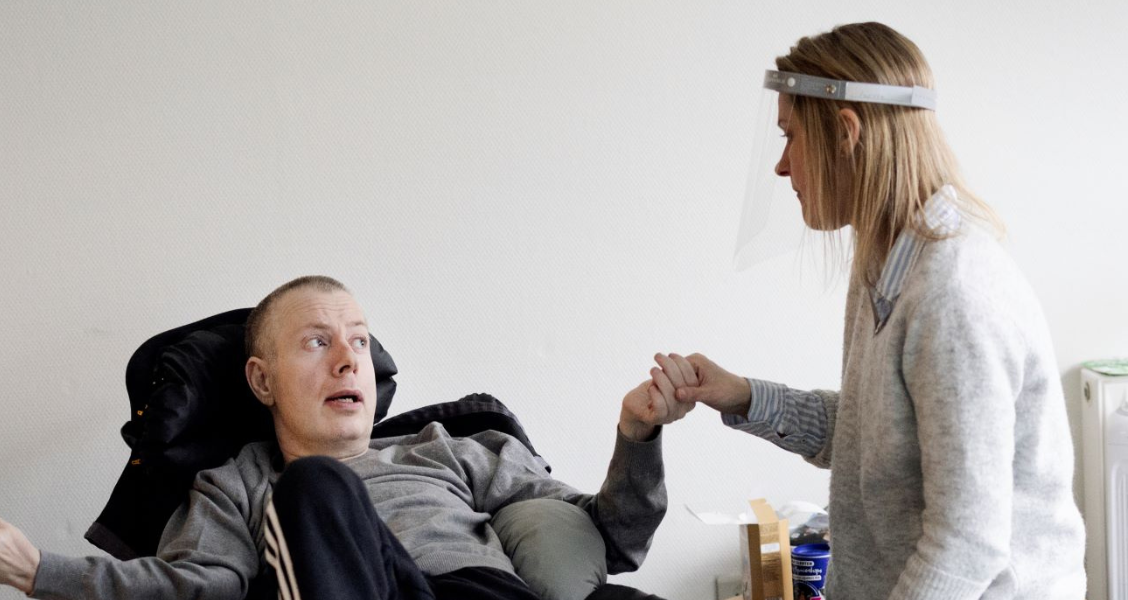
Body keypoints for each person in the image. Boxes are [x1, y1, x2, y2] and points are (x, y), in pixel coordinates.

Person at [652, 22, 1086, 599]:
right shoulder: (887, 266)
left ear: (846, 133)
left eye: (791, 136)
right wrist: (741, 396)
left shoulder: (954, 294)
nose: (781, 166)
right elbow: (875, 439)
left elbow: (967, 546)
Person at [0, 275, 693, 600]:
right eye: (316, 341)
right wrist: (38, 572)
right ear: (262, 380)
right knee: (314, 486)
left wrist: (637, 438)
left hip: (485, 598)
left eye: (359, 342)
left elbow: (614, 540)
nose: (347, 360)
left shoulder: (450, 448)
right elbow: (197, 587)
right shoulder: (239, 482)